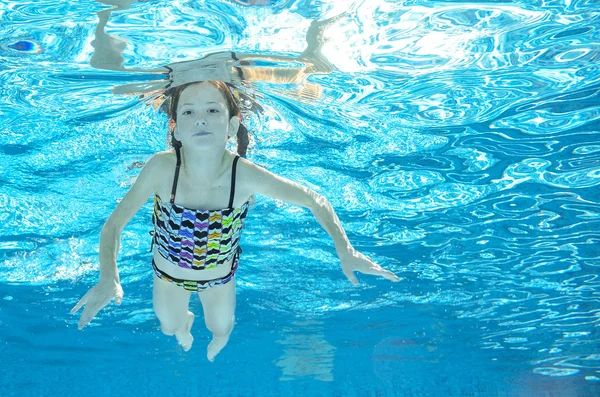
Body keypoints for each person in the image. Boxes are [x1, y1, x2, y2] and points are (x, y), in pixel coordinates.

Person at [70, 79, 401, 362]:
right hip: (166, 273)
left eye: (213, 110)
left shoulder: (243, 175)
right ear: (176, 128)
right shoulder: (160, 168)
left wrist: (345, 250)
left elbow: (314, 199)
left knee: (221, 328)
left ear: (231, 125)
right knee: (170, 326)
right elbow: (114, 224)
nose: (200, 119)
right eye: (188, 112)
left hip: (220, 276)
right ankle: (184, 326)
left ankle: (214, 341)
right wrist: (108, 277)